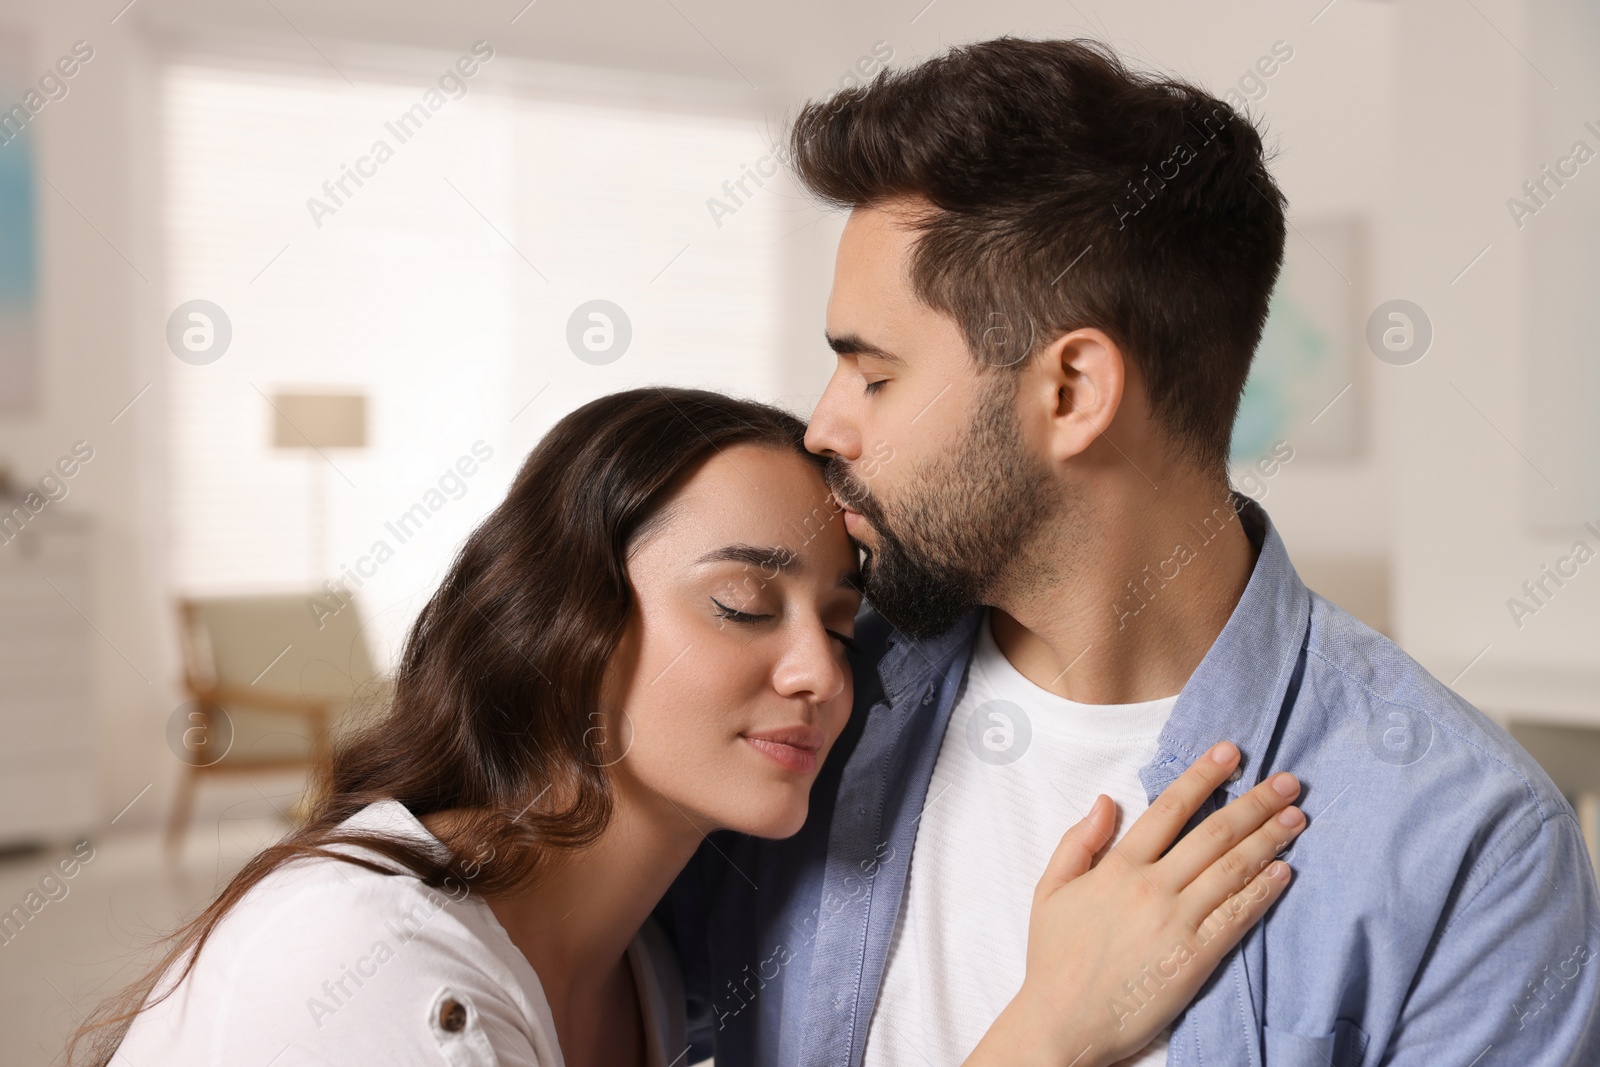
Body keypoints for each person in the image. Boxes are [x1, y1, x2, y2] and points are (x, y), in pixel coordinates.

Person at [656, 37, 1600, 1067]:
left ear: (1072, 393)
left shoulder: (1468, 845)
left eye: (872, 375)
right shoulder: (795, 712)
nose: (822, 428)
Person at [72, 389, 1303, 1067]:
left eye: (839, 617)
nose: (822, 671)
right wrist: (1047, 1033)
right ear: (566, 618)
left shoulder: (657, 978)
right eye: (739, 605)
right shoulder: (358, 956)